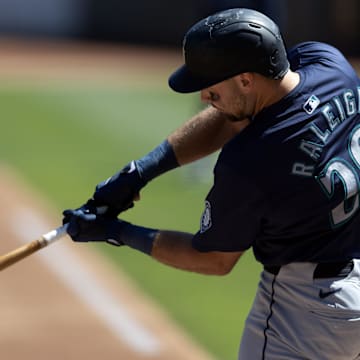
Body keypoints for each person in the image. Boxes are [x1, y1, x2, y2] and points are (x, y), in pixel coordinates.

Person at [63, 8, 360, 360]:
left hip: (308, 315)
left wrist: (119, 231)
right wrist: (140, 171)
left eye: (212, 85)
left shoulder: (250, 162)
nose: (204, 96)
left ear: (246, 79)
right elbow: (242, 114)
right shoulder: (329, 64)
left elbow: (213, 260)